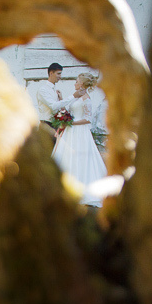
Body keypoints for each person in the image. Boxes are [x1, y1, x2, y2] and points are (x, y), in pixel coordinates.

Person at [51, 72, 107, 207]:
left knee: (79, 158)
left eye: (76, 81)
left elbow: (88, 119)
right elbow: (70, 111)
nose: (75, 83)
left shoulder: (86, 99)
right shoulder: (77, 98)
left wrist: (71, 123)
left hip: (80, 132)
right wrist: (61, 98)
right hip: (70, 131)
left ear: (81, 84)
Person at [36, 63, 69, 143]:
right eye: (58, 74)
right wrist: (72, 97)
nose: (60, 76)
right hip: (46, 125)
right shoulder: (43, 90)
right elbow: (53, 107)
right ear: (51, 73)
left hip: (55, 125)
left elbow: (58, 109)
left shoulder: (56, 91)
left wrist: (61, 99)